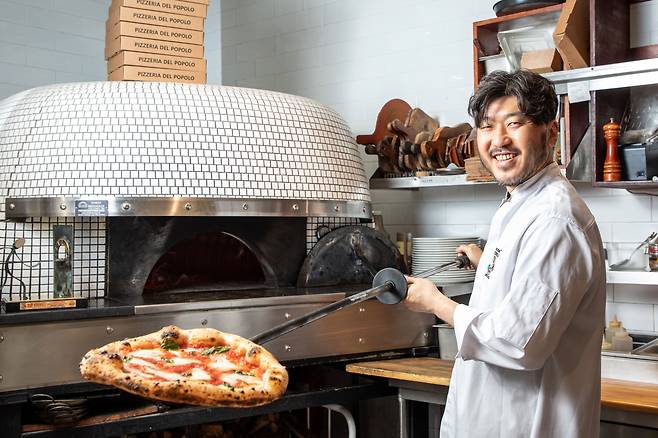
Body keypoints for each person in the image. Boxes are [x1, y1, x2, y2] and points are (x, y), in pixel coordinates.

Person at [404, 69, 606, 438]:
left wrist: (436, 303)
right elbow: (529, 288)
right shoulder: (522, 200)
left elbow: (518, 344)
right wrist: (489, 265)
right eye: (486, 126)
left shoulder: (554, 219)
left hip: (531, 425)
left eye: (514, 123)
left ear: (550, 133)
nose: (499, 140)